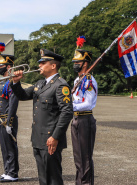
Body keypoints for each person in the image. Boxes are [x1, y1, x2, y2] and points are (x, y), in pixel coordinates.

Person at [11, 49, 73, 185]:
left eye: (43, 63)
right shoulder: (40, 84)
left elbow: (67, 112)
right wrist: (16, 82)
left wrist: (55, 137)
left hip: (51, 139)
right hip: (38, 139)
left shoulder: (60, 85)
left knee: (53, 178)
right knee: (43, 178)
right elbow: (22, 95)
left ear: (53, 66)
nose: (39, 65)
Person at [71, 48, 98, 185]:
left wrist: (70, 107)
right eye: (74, 61)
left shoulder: (89, 81)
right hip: (76, 119)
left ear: (85, 64)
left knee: (85, 157)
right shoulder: (78, 80)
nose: (75, 63)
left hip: (85, 120)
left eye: (78, 61)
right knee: (78, 157)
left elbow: (87, 104)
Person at [0, 54, 19, 182]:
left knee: (10, 147)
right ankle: (7, 171)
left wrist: (9, 122)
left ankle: (13, 173)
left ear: (9, 66)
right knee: (4, 147)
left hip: (8, 119)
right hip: (1, 118)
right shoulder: (4, 81)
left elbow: (13, 103)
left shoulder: (12, 82)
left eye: (1, 65)